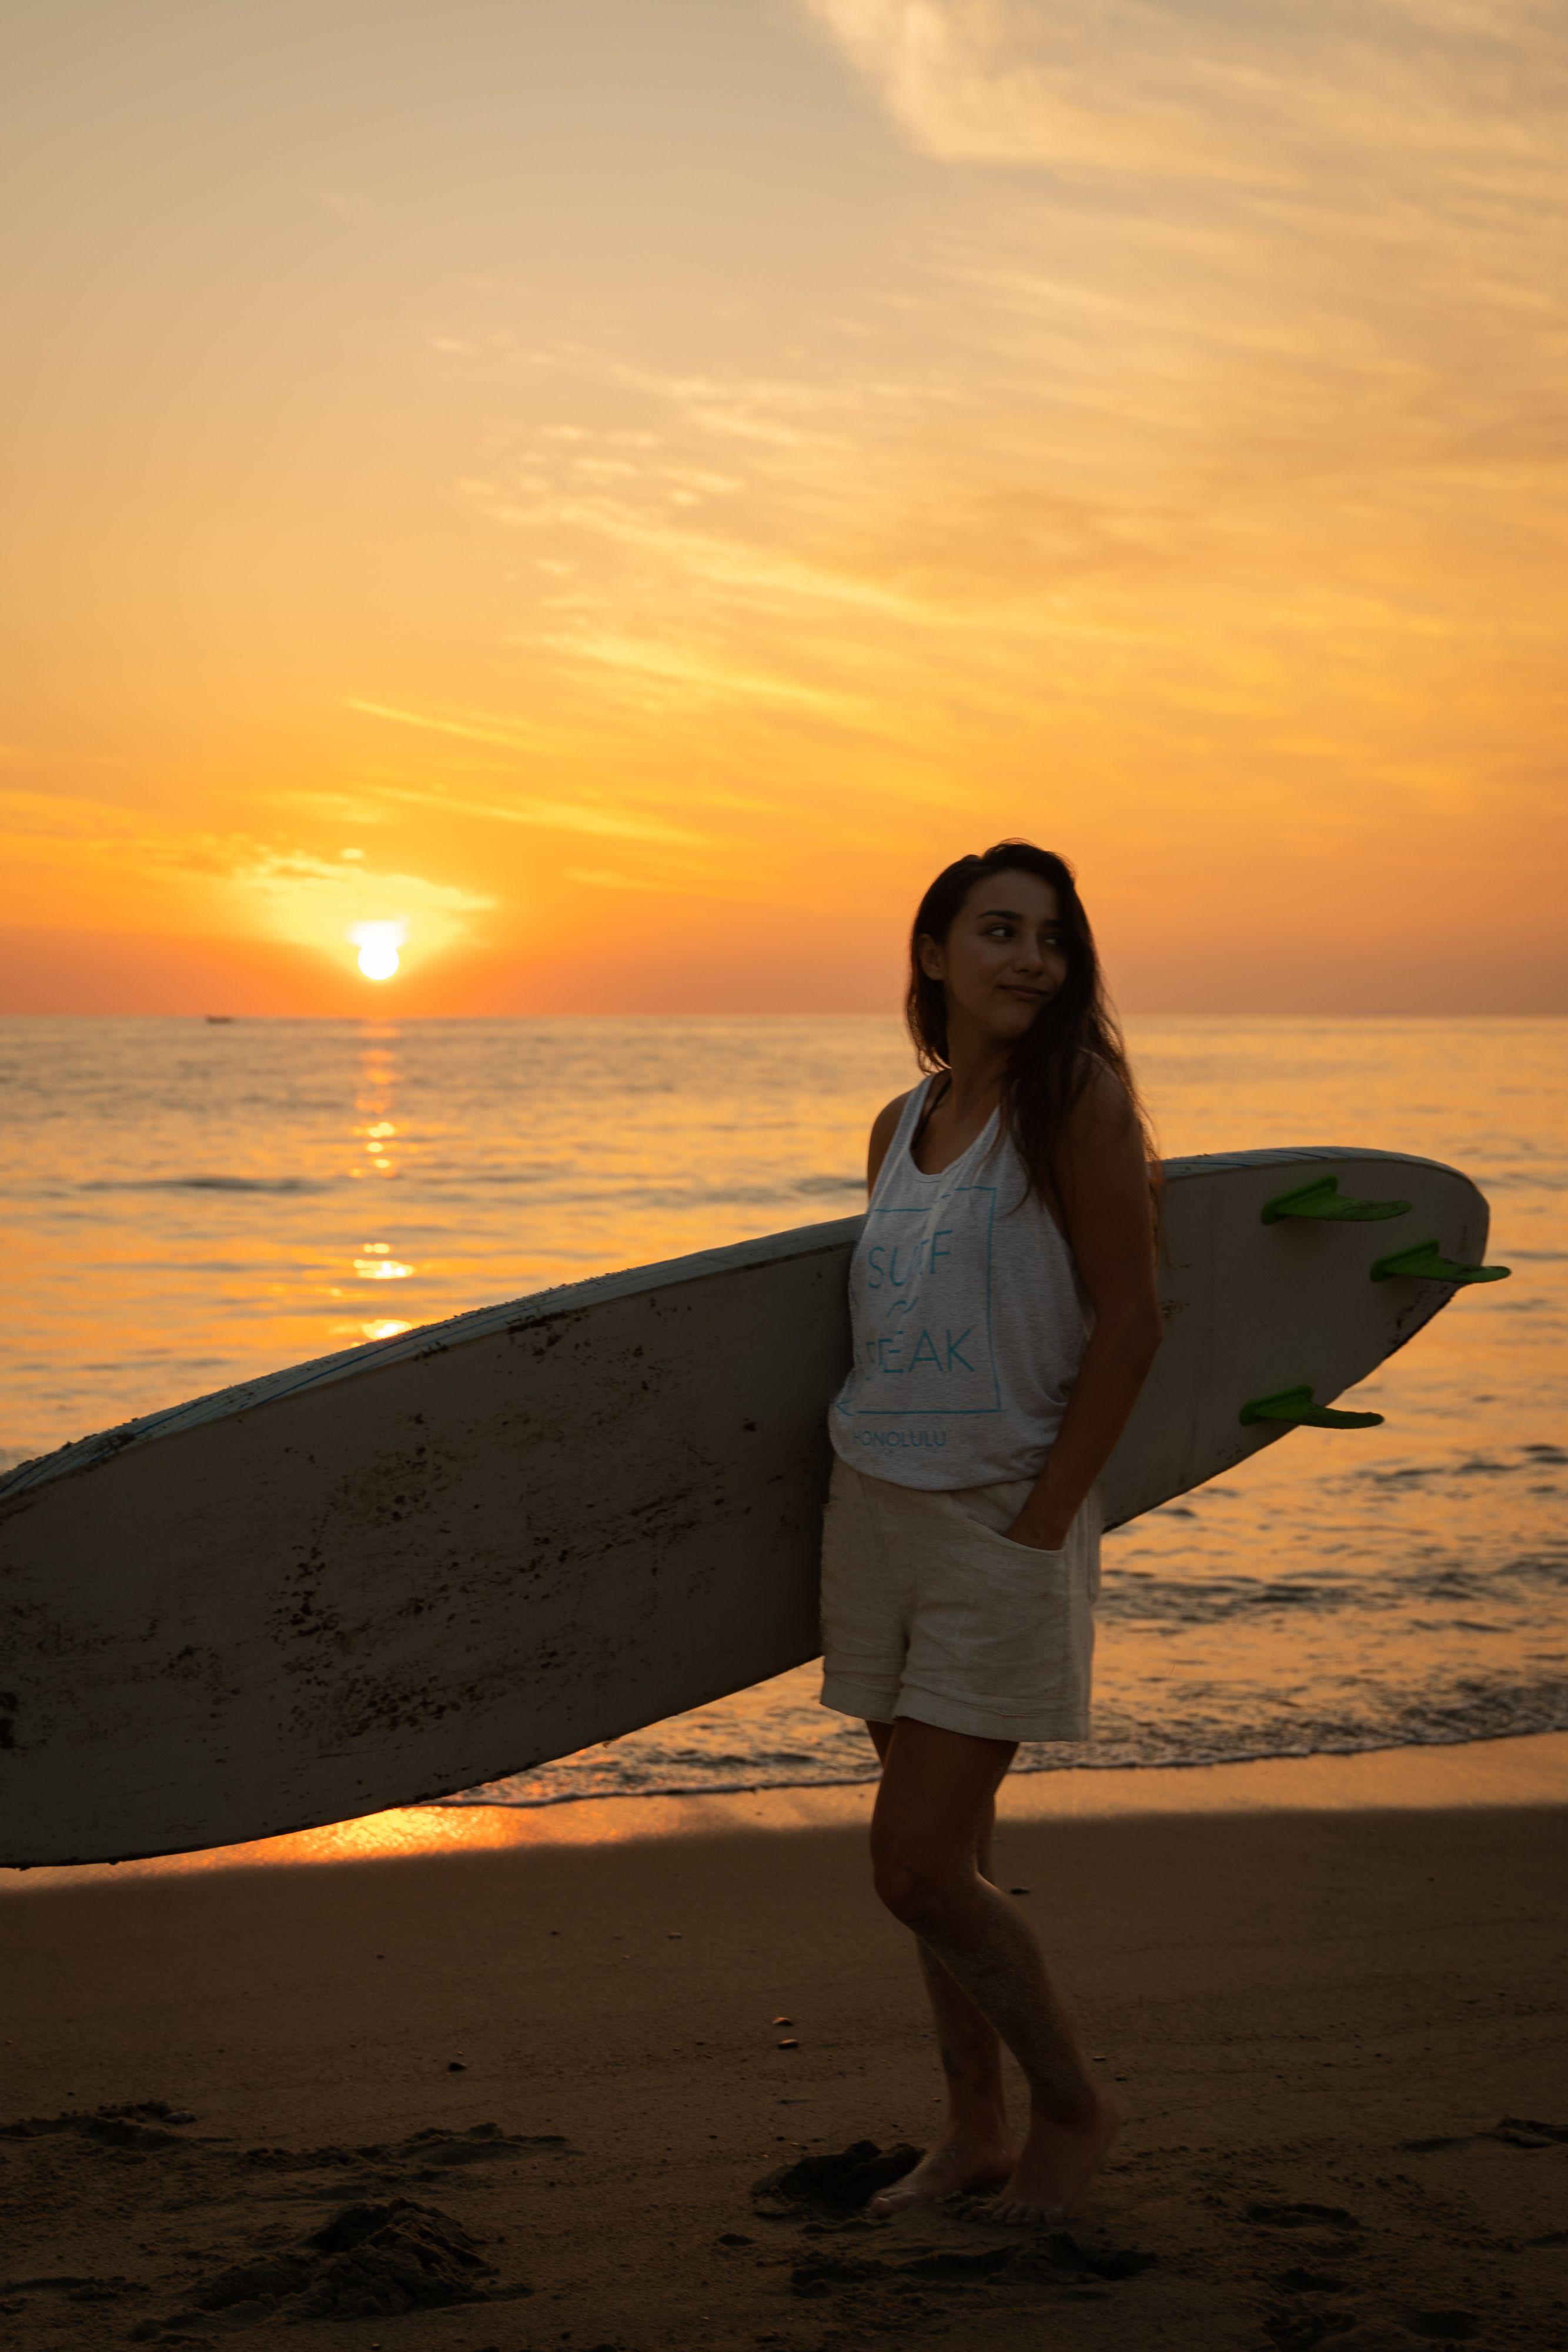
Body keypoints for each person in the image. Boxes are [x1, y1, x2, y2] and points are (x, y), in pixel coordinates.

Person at [819, 838, 1162, 2227]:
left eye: (1051, 937)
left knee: (909, 1865)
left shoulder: (1073, 1095)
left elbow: (1131, 1322)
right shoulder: (899, 1120)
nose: (1031, 958)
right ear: (932, 953)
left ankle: (1069, 2107)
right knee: (939, 1865)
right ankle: (970, 2129)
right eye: (1000, 931)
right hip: (873, 1515)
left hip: (991, 1524)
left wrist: (1038, 1523)